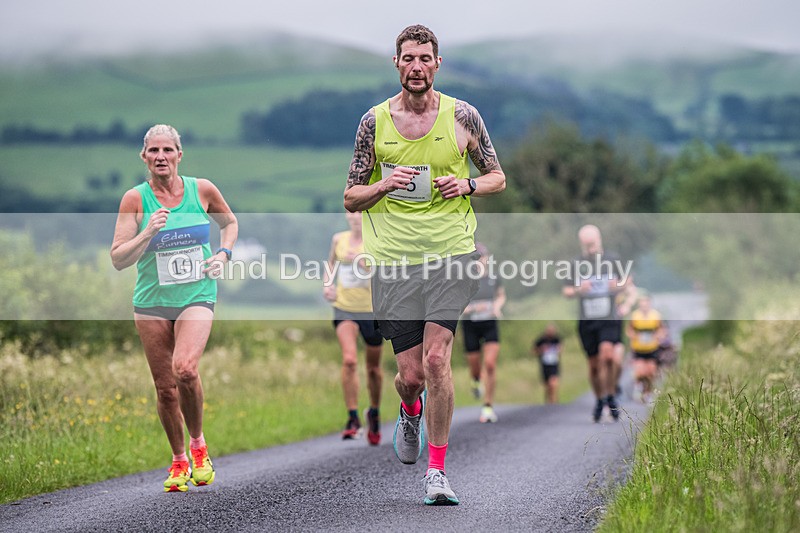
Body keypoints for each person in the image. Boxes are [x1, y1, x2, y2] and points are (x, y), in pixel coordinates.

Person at [343, 24, 505, 505]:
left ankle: (437, 472)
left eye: (425, 58)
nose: (417, 66)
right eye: (408, 58)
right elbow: (351, 197)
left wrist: (468, 186)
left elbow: (497, 176)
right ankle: (409, 409)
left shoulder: (464, 116)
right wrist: (384, 187)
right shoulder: (374, 122)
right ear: (397, 64)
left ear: (437, 63)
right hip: (394, 261)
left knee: (438, 361)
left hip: (452, 254)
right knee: (411, 376)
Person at [110, 124, 238, 493]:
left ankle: (198, 446)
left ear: (180, 155)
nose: (161, 157)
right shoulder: (134, 199)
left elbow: (230, 224)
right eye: (153, 151)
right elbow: (118, 259)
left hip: (196, 293)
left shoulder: (202, 190)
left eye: (168, 150)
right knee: (165, 388)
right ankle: (179, 459)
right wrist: (147, 232)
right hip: (151, 301)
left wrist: (224, 254)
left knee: (184, 368)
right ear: (144, 157)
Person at [323, 211, 384, 444]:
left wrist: (363, 265)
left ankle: (375, 412)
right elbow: (331, 265)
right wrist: (327, 286)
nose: (355, 217)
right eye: (351, 212)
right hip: (344, 307)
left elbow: (385, 273)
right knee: (349, 360)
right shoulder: (339, 239)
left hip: (372, 310)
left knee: (373, 369)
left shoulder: (376, 240)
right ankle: (352, 418)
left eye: (360, 213)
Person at [562, 225, 626, 423]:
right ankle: (600, 399)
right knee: (594, 365)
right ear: (582, 243)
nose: (590, 247)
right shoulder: (576, 264)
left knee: (608, 355)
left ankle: (610, 395)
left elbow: (627, 281)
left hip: (608, 318)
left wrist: (617, 286)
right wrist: (579, 289)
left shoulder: (612, 260)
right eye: (586, 244)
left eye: (593, 243)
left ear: (599, 240)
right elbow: (566, 291)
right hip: (587, 320)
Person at [460, 243, 506, 423]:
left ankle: (488, 406)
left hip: (489, 323)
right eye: (476, 258)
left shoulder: (494, 278)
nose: (480, 261)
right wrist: (471, 309)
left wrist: (496, 306)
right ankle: (475, 380)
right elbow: (457, 306)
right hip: (470, 324)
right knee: (475, 365)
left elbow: (501, 295)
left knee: (490, 364)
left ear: (488, 258)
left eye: (482, 257)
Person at [626, 291, 664, 403]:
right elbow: (629, 329)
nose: (644, 306)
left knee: (650, 373)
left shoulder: (656, 316)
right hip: (638, 348)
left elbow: (662, 329)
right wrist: (633, 336)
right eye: (642, 304)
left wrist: (658, 336)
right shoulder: (634, 316)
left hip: (652, 348)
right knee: (640, 372)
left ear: (650, 304)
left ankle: (648, 392)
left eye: (646, 303)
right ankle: (639, 387)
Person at [533, 324, 561, 404]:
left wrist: (558, 349)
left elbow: (561, 348)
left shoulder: (556, 339)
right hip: (544, 365)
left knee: (553, 384)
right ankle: (548, 403)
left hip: (554, 364)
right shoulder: (541, 340)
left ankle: (554, 402)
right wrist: (541, 350)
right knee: (547, 386)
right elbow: (533, 350)